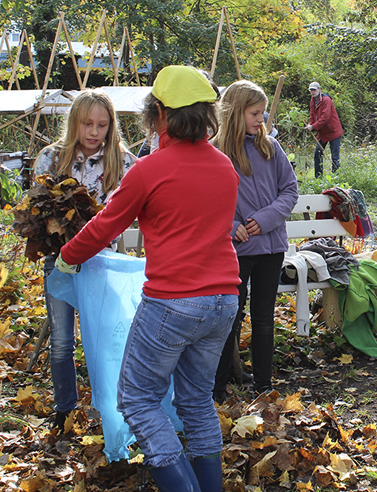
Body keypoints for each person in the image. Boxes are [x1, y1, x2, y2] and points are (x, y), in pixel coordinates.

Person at [53, 66, 240, 492]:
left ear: (158, 114)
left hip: (173, 302)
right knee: (195, 400)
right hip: (223, 300)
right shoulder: (224, 166)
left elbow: (106, 225)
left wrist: (67, 256)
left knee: (137, 399)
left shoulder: (151, 170)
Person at [31, 89, 135, 432]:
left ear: (111, 126)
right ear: (74, 122)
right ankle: (65, 408)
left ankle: (112, 405)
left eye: (101, 125)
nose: (93, 132)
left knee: (108, 336)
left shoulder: (123, 161)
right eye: (87, 123)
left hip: (105, 260)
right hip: (59, 260)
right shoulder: (52, 157)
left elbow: (130, 211)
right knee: (62, 338)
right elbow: (37, 207)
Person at [212, 80, 298, 400]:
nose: (261, 119)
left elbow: (289, 190)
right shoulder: (216, 151)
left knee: (263, 320)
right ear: (235, 112)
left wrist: (263, 221)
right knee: (229, 320)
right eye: (254, 113)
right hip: (235, 250)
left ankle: (264, 386)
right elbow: (207, 200)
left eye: (262, 113)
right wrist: (230, 225)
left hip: (270, 248)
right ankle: (217, 390)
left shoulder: (270, 148)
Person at [305, 81, 343, 178]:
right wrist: (310, 124)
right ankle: (318, 178)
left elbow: (325, 117)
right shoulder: (312, 101)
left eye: (314, 89)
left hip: (333, 131)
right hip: (322, 132)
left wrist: (313, 126)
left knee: (335, 157)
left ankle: (336, 178)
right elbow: (312, 116)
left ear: (319, 90)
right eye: (311, 90)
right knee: (317, 154)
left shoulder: (326, 100)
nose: (313, 92)